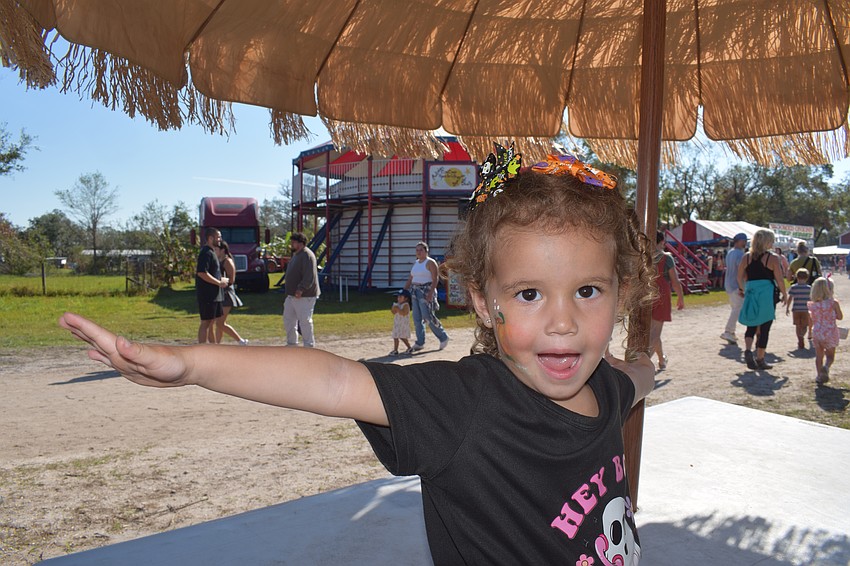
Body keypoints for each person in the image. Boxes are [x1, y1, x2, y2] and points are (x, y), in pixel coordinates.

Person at [58, 144, 656, 564]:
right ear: (481, 300)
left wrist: (649, 364)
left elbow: (633, 377)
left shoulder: (604, 388)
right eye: (529, 293)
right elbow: (332, 382)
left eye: (588, 291)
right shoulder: (465, 405)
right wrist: (190, 364)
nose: (563, 322)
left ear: (621, 292)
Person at [737, 229, 787, 370]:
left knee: (751, 324)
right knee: (765, 328)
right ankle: (760, 359)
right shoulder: (773, 258)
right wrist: (784, 294)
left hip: (751, 291)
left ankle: (747, 350)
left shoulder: (746, 257)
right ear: (767, 241)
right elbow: (779, 279)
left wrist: (742, 289)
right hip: (766, 293)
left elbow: (739, 275)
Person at [403, 241, 450, 351]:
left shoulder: (430, 262)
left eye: (421, 250)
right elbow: (411, 278)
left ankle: (443, 337)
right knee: (416, 318)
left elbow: (435, 279)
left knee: (428, 316)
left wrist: (430, 294)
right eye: (417, 250)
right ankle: (420, 342)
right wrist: (403, 291)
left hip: (426, 291)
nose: (419, 252)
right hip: (415, 291)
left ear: (426, 251)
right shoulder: (416, 263)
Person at [650, 231, 685, 370]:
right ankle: (642, 364)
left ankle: (661, 360)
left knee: (652, 331)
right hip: (661, 295)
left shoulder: (642, 257)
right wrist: (680, 298)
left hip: (644, 294)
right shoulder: (666, 258)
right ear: (661, 241)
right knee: (655, 333)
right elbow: (675, 281)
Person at [283, 232, 320, 347]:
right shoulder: (297, 254)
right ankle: (292, 344)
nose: (291, 244)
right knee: (288, 319)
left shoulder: (307, 255)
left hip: (304, 296)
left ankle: (309, 346)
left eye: (293, 242)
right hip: (291, 295)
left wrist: (301, 289)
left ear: (300, 243)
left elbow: (309, 276)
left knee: (304, 321)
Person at [195, 227, 228, 344]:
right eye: (218, 237)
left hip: (215, 294)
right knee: (206, 322)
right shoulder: (206, 252)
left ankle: (213, 348)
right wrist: (219, 282)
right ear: (210, 238)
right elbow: (202, 273)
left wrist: (220, 279)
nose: (220, 239)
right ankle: (202, 349)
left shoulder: (212, 252)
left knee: (211, 322)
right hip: (207, 295)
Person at [808, 277, 843, 385]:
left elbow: (812, 319)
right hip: (830, 332)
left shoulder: (812, 304)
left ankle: (819, 376)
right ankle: (826, 367)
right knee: (830, 356)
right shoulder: (833, 303)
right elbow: (840, 317)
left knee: (819, 355)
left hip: (817, 331)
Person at [214, 241, 248, 345]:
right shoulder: (218, 261)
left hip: (227, 294)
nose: (214, 251)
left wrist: (222, 281)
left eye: (216, 249)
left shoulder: (227, 261)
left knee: (220, 323)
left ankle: (241, 341)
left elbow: (231, 279)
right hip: (220, 294)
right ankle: (217, 344)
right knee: (219, 323)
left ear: (222, 250)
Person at [721, 233, 748, 345]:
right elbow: (741, 271)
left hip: (729, 284)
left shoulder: (730, 252)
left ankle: (731, 332)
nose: (745, 242)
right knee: (737, 309)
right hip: (736, 284)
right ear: (738, 241)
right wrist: (743, 287)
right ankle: (728, 331)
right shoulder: (740, 254)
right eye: (744, 240)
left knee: (735, 308)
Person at [785, 268, 812, 350]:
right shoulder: (809, 288)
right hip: (806, 309)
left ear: (797, 277)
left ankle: (799, 339)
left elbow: (790, 298)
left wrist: (787, 307)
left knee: (797, 325)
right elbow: (811, 299)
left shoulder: (794, 287)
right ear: (807, 277)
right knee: (805, 325)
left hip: (796, 309)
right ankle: (802, 336)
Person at [389, 289, 413, 356]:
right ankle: (398, 349)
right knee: (396, 336)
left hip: (403, 324)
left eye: (400, 297)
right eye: (398, 297)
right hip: (397, 323)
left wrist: (398, 309)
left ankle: (406, 348)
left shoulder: (406, 305)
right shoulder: (397, 304)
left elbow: (404, 313)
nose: (398, 298)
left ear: (406, 298)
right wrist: (394, 308)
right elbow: (393, 312)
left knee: (401, 337)